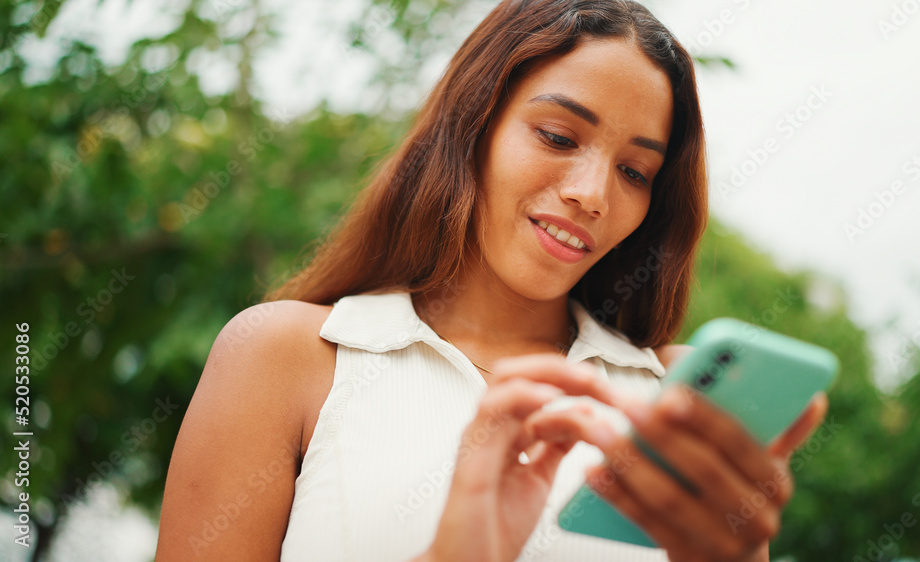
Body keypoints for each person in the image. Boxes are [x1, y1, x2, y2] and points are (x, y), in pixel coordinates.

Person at [155, 0, 828, 560]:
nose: (593, 194)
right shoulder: (288, 357)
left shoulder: (665, 400)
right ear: (473, 123)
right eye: (559, 137)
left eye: (635, 172)